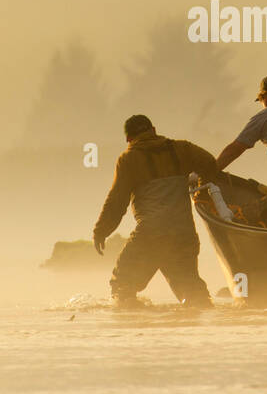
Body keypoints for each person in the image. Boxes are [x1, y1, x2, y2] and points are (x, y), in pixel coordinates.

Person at [92, 114, 218, 310]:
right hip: (183, 233)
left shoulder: (129, 158)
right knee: (191, 289)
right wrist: (203, 193)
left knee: (122, 285)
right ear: (153, 130)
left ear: (128, 139)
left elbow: (117, 200)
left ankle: (135, 320)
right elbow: (210, 164)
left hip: (150, 234)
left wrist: (101, 231)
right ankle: (203, 319)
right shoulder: (182, 149)